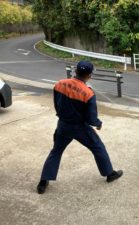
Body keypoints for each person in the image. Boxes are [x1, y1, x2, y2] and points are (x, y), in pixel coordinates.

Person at [37, 61, 123, 194]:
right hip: (79, 127)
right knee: (98, 147)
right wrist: (98, 124)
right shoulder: (88, 93)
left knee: (56, 151)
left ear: (75, 71)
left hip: (63, 125)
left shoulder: (59, 84)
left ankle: (43, 181)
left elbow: (56, 104)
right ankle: (109, 174)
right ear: (89, 75)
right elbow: (91, 118)